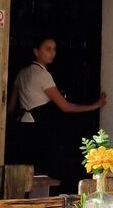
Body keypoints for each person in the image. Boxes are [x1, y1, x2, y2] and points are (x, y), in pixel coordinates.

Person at [7, 37, 105, 184]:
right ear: (36, 51)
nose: (52, 53)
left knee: (26, 171)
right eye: (47, 49)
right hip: (39, 127)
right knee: (44, 171)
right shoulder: (43, 75)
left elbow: (10, 107)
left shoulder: (22, 73)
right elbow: (65, 106)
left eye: (54, 49)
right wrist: (95, 105)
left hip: (23, 125)